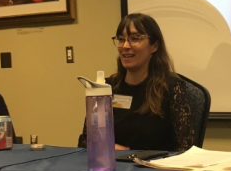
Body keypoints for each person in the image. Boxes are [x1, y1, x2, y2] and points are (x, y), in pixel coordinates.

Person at [77, 13, 196, 151]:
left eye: (135, 38)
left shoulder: (172, 89)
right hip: (111, 168)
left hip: (154, 170)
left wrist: (128, 152)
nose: (126, 46)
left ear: (154, 46)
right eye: (121, 39)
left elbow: (187, 149)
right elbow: (85, 141)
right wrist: (113, 149)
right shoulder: (106, 88)